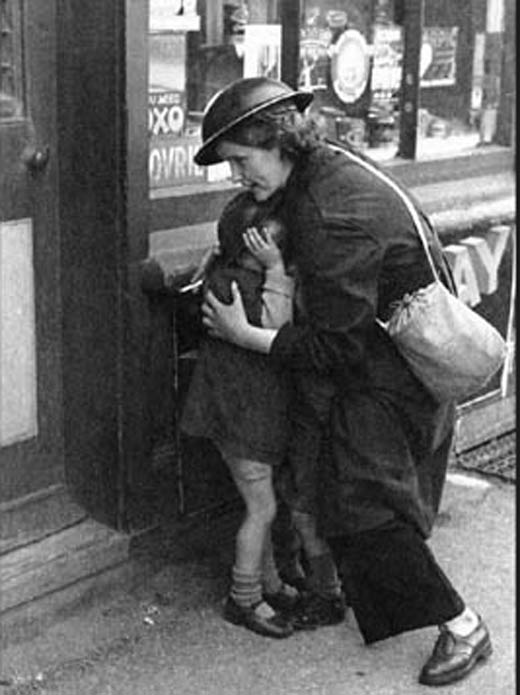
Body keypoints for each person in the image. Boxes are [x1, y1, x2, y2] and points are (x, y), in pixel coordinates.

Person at [193, 77, 492, 687]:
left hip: (382, 373)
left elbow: (336, 346)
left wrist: (245, 337)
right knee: (351, 496)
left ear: (275, 141)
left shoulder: (328, 212)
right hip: (386, 363)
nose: (238, 177)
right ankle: (339, 599)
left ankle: (464, 627)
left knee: (365, 507)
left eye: (242, 162)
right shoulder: (325, 168)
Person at [181, 190, 300, 638]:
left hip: (240, 413)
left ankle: (268, 582)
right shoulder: (243, 287)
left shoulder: (222, 275)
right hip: (239, 417)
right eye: (273, 244)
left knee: (264, 503)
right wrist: (275, 270)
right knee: (262, 506)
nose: (283, 250)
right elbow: (276, 328)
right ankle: (244, 597)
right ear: (251, 248)